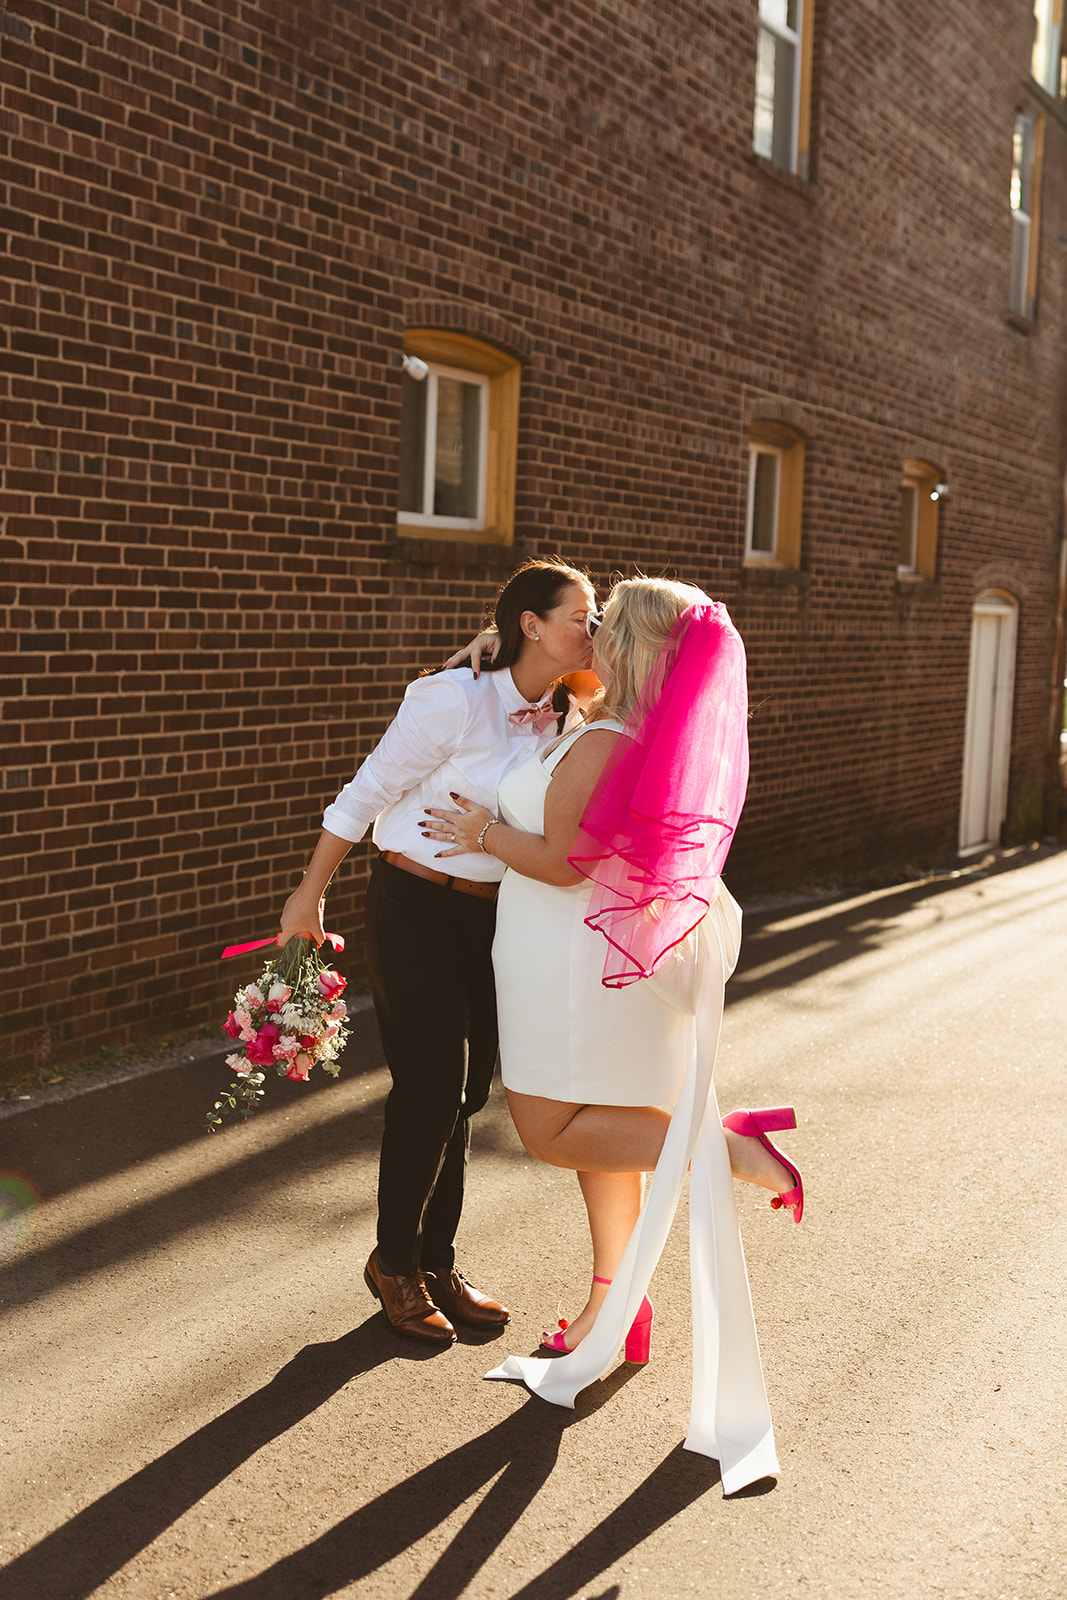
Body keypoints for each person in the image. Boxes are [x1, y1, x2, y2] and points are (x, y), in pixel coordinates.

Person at [423, 578, 801, 1493]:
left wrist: (481, 829)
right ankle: (613, 1311)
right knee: (601, 1139)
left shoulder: (604, 739)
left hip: (568, 956)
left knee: (551, 1128)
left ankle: (725, 1148)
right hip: (586, 953)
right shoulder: (613, 723)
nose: (585, 631)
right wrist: (484, 647)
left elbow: (561, 862)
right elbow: (533, 684)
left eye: (601, 623)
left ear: (626, 646)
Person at [277, 558, 599, 1348]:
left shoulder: (565, 719)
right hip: (412, 905)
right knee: (429, 1089)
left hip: (497, 921)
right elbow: (366, 790)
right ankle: (394, 1266)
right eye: (579, 617)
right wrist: (308, 893)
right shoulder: (452, 697)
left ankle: (435, 1261)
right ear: (531, 624)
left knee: (467, 1097)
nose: (590, 631)